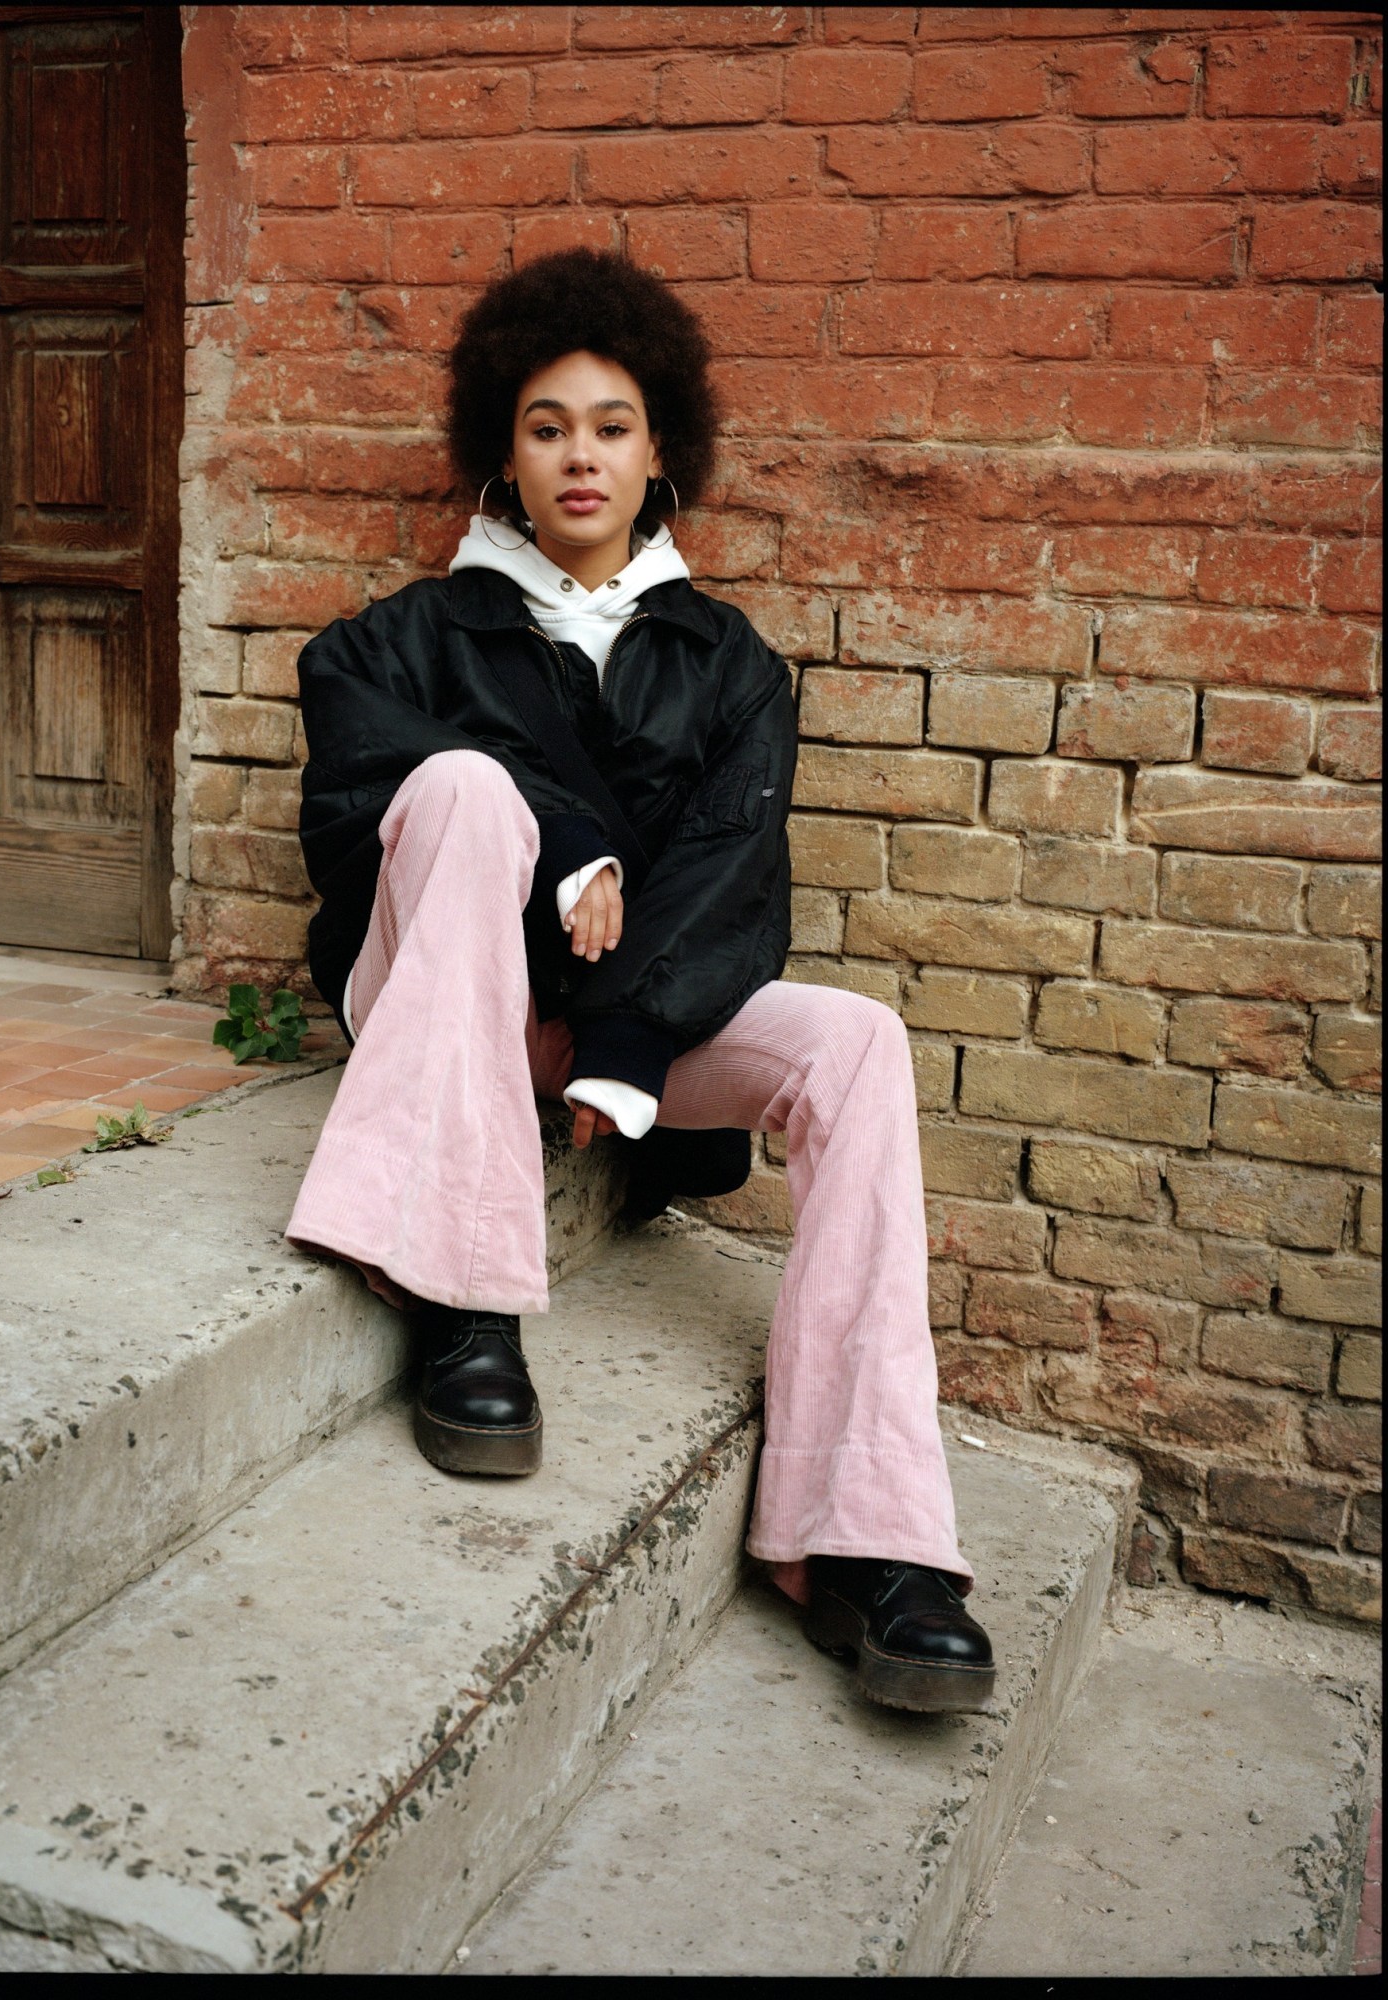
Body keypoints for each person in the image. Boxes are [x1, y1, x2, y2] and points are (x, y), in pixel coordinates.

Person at [287, 248, 994, 1715]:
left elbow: (734, 876)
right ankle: (459, 1296)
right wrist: (568, 838)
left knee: (856, 1042)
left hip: (620, 1032)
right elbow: (359, 793)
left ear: (660, 445)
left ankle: (861, 1539)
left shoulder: (729, 664)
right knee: (470, 788)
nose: (579, 456)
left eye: (609, 425)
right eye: (546, 426)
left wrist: (619, 1036)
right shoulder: (403, 637)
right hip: (435, 997)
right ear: (504, 446)